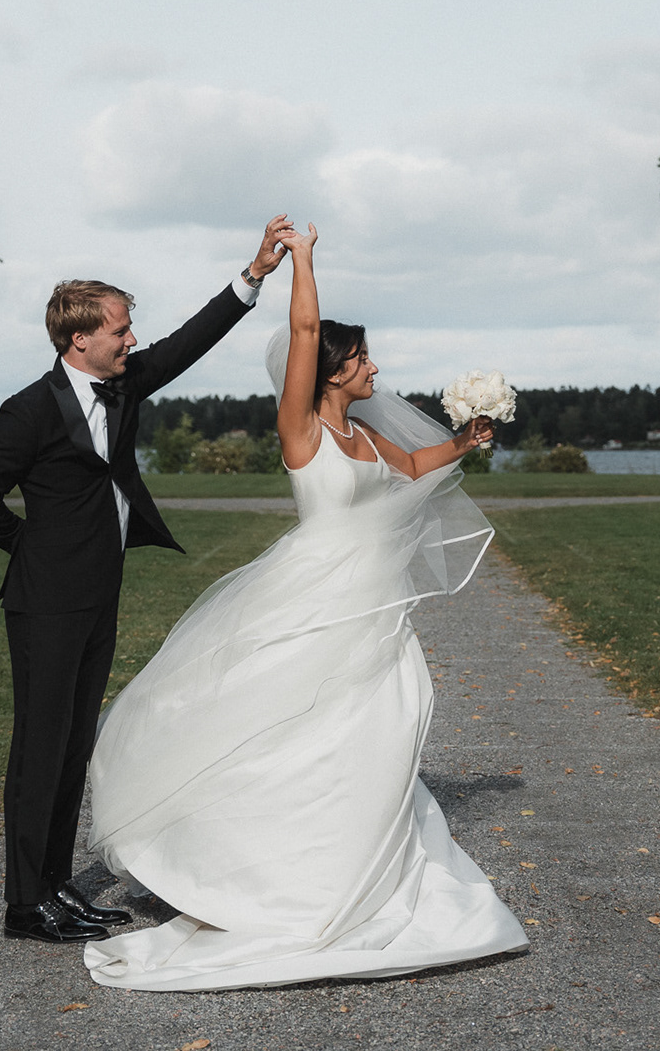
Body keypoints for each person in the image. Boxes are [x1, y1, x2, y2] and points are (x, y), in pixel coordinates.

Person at [82, 222, 529, 989]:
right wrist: (304, 262)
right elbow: (306, 331)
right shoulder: (303, 427)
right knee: (290, 730)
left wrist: (467, 440)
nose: (374, 367)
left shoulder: (367, 438)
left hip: (375, 610)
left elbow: (416, 463)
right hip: (315, 599)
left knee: (388, 719)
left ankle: (355, 853)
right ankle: (270, 871)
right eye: (362, 359)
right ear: (332, 370)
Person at [0, 214, 294, 945]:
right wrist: (37, 555)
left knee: (74, 745)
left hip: (97, 596)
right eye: (120, 329)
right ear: (79, 338)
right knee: (40, 749)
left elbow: (189, 342)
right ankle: (25, 907)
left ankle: (55, 888)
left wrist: (254, 274)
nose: (132, 339)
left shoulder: (126, 385)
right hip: (45, 605)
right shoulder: (28, 410)